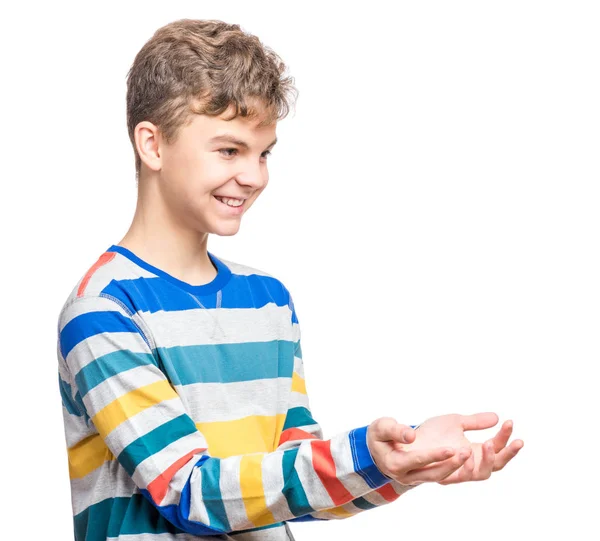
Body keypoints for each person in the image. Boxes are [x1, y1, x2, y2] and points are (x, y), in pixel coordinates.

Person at [56, 18, 524, 541]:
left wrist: (403, 462)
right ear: (153, 145)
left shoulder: (267, 301)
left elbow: (291, 484)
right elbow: (189, 493)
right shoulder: (103, 310)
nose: (255, 176)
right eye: (230, 150)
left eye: (264, 153)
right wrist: (362, 454)